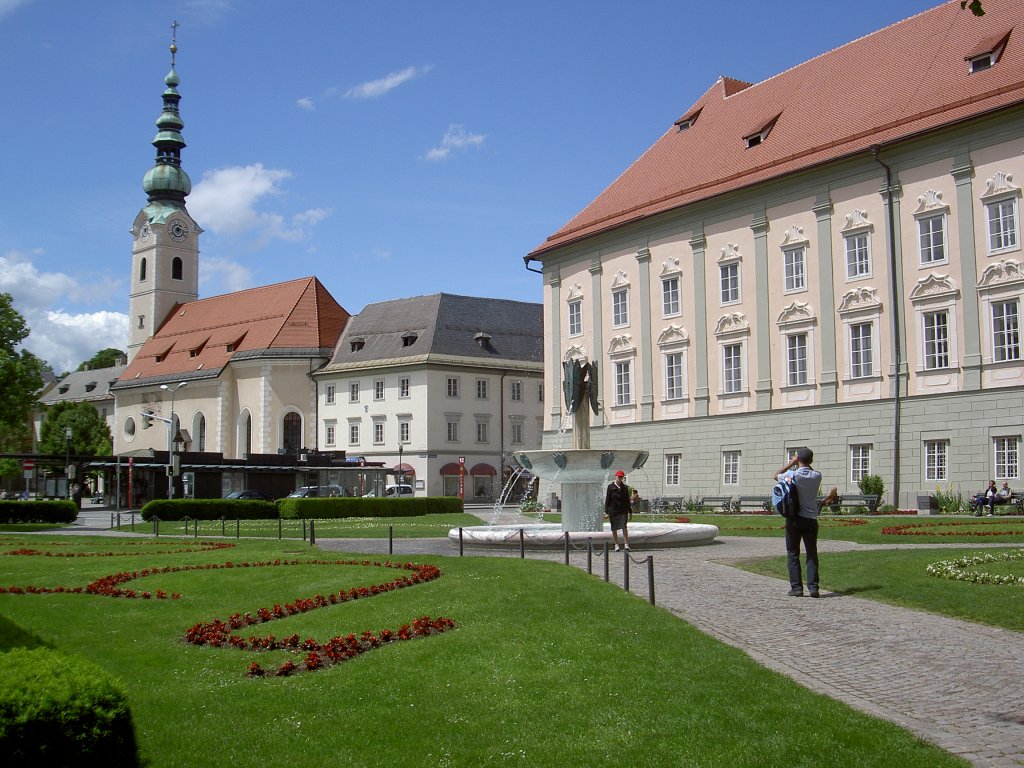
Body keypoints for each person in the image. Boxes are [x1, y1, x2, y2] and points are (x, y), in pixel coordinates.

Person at [773, 448, 823, 597]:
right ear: (811, 461)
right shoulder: (817, 476)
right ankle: (813, 588)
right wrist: (804, 461)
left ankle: (797, 588)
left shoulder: (792, 474)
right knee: (812, 553)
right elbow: (810, 468)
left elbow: (775, 475)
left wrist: (791, 463)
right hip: (811, 519)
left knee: (793, 553)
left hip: (794, 518)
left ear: (798, 459)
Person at [604, 470, 633, 552]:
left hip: (623, 510)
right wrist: (606, 512)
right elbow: (607, 500)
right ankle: (616, 545)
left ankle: (626, 544)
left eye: (621, 477)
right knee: (614, 528)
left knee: (624, 527)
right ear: (615, 476)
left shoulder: (625, 488)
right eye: (619, 476)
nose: (620, 478)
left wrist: (630, 512)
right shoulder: (610, 487)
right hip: (613, 510)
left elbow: (627, 500)